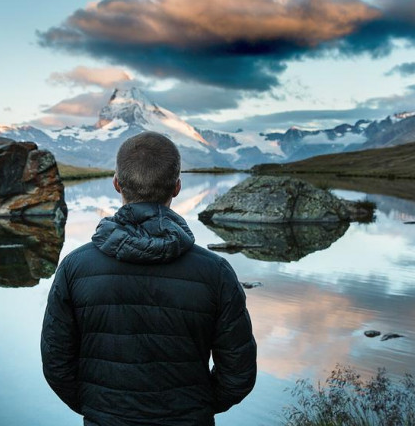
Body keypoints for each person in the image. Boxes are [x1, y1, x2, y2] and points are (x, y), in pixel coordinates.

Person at [41, 131, 257, 426]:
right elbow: (238, 373)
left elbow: (56, 364)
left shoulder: (74, 268)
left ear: (117, 183)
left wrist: (100, 408)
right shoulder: (216, 272)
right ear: (177, 186)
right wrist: (196, 406)